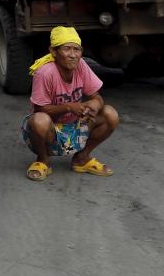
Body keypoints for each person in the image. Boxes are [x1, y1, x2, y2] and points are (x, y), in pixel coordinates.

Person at [21, 25, 119, 180]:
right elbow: (40, 108)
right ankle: (42, 160)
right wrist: (69, 107)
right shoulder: (45, 73)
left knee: (110, 114)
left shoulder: (81, 66)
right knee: (39, 120)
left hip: (73, 127)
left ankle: (81, 159)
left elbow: (97, 97)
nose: (73, 55)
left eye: (77, 49)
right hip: (49, 131)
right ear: (53, 52)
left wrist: (94, 105)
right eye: (67, 49)